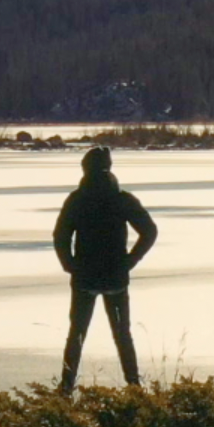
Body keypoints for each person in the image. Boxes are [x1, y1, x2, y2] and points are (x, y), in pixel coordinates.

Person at [53, 146, 158, 393]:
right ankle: (134, 387)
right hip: (115, 278)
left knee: (76, 334)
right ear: (109, 168)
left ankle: (66, 389)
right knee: (123, 335)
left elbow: (60, 236)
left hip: (84, 278)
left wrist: (70, 265)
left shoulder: (77, 199)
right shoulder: (122, 198)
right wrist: (131, 260)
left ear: (85, 169)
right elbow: (149, 231)